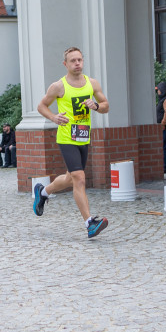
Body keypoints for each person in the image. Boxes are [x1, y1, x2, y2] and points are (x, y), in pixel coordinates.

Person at [32, 47, 110, 239]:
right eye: (73, 60)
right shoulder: (58, 86)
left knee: (70, 178)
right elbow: (42, 106)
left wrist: (96, 106)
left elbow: (106, 106)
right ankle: (90, 223)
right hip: (66, 137)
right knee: (80, 178)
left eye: (79, 60)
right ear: (65, 64)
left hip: (83, 137)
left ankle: (43, 192)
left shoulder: (92, 84)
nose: (77, 63)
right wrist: (54, 117)